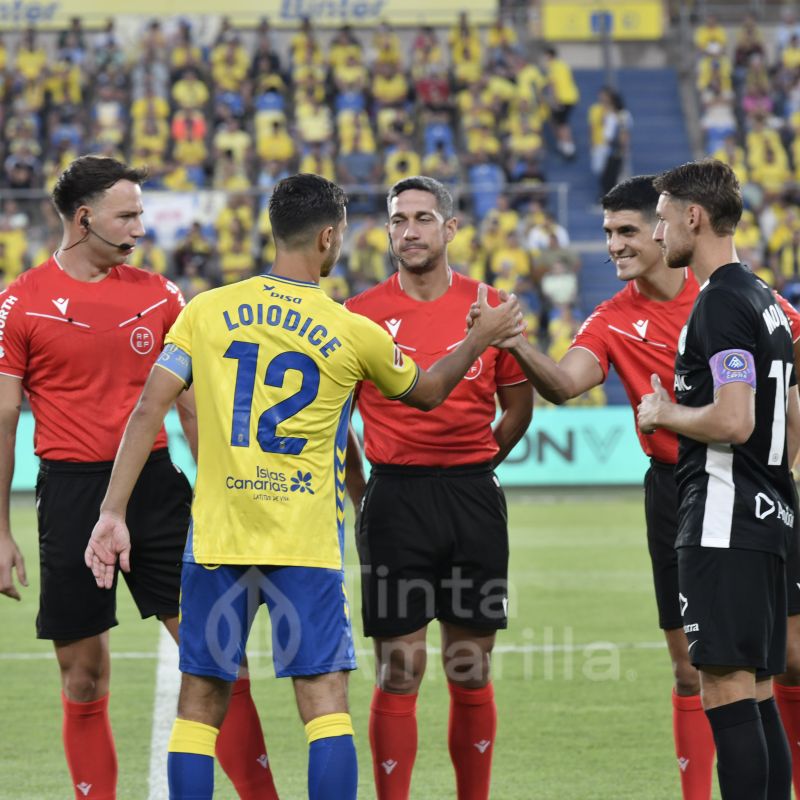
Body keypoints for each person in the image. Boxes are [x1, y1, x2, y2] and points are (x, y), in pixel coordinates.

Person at [83, 173, 523, 800]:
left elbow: (149, 409)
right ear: (327, 236)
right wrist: (478, 338)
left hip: (219, 537)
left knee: (200, 701)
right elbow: (426, 393)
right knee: (324, 703)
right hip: (304, 544)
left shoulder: (205, 311)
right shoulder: (350, 328)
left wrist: (112, 512)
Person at [470, 173, 800, 800]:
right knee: (711, 669)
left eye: (630, 230)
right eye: (609, 233)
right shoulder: (625, 315)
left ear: (669, 225)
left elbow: (758, 391)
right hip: (682, 491)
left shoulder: (722, 300)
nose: (616, 245)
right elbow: (566, 383)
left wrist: (671, 414)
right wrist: (512, 341)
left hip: (730, 487)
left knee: (762, 665)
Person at [0, 156, 278, 800]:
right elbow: (5, 417)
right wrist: (1, 532)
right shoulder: (20, 305)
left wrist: (226, 495)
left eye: (141, 214)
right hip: (69, 493)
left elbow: (190, 407)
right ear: (83, 217)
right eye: (127, 215)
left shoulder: (159, 295)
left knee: (218, 661)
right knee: (83, 678)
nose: (139, 227)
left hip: (156, 489)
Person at [344, 175, 533, 800]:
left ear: (450, 228)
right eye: (399, 219)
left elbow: (518, 409)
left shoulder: (493, 306)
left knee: (469, 666)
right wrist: (360, 492)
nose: (410, 231)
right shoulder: (360, 314)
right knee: (399, 669)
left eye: (424, 218)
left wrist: (477, 464)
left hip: (472, 497)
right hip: (393, 498)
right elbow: (337, 420)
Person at [637, 159, 798, 800]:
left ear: (693, 217)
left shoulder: (721, 304)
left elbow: (734, 419)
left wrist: (662, 412)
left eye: (662, 218)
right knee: (757, 692)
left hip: (723, 519)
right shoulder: (766, 302)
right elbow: (787, 422)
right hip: (767, 517)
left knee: (727, 691)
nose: (656, 234)